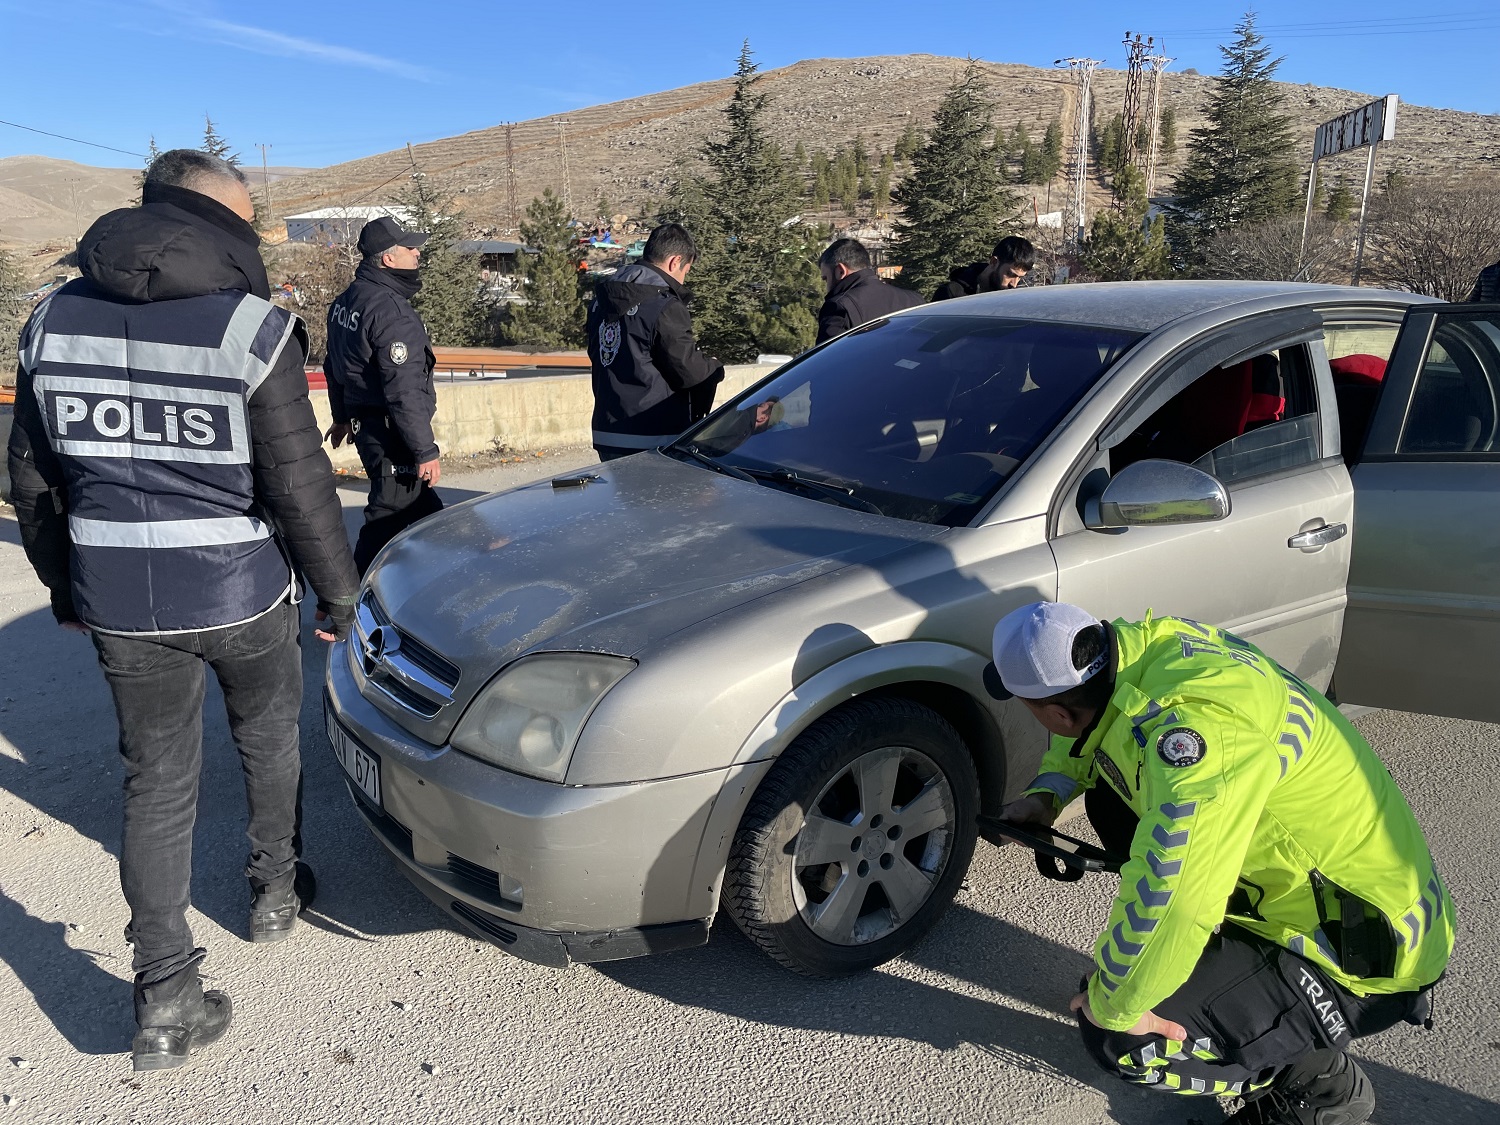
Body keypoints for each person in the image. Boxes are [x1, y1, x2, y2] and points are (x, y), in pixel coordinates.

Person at [6, 150, 361, 1071]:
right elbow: (301, 486)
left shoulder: (49, 321)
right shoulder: (252, 329)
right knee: (269, 739)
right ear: (216, 224)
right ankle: (276, 891)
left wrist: (63, 587)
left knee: (155, 785)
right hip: (242, 586)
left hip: (121, 599)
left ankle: (164, 993)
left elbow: (33, 479)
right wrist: (340, 592)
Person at [988, 602, 1454, 1124]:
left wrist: (1115, 1004)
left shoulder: (1197, 743)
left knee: (1121, 1039)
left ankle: (1319, 1087)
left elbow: (1179, 897)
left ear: (1056, 714)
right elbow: (1091, 732)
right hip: (1319, 894)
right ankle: (1224, 981)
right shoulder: (1146, 649)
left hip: (1361, 954)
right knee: (1111, 800)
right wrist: (1048, 793)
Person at [323, 215, 443, 574]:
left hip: (367, 424)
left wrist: (342, 416)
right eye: (409, 248)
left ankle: (457, 569)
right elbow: (403, 390)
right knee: (387, 514)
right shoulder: (391, 313)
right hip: (392, 431)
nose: (417, 253)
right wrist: (424, 450)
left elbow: (335, 364)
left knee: (422, 508)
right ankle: (346, 601)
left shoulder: (348, 300)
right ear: (388, 259)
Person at [586, 222, 723, 461]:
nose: (682, 279)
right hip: (653, 433)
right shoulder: (663, 305)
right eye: (685, 270)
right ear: (674, 262)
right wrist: (713, 367)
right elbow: (687, 370)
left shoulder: (601, 300)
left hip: (607, 432)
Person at [814, 238, 925, 344]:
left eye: (826, 278)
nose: (826, 287)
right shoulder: (915, 300)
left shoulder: (839, 308)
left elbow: (828, 360)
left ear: (840, 271)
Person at [932, 235, 1035, 301]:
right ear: (994, 262)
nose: (1014, 284)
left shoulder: (1013, 300)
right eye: (1010, 274)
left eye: (1020, 278)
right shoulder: (952, 293)